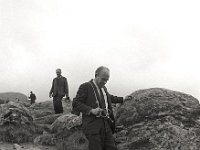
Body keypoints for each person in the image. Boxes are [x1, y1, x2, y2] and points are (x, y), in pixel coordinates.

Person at [72, 66, 131, 150]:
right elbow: (76, 103)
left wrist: (123, 99)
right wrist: (91, 110)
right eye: (103, 79)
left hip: (106, 125)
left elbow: (109, 97)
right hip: (92, 127)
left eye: (107, 80)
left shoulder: (103, 87)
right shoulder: (85, 86)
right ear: (96, 75)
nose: (105, 82)